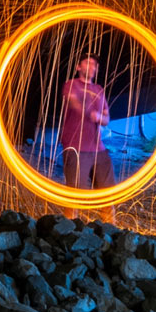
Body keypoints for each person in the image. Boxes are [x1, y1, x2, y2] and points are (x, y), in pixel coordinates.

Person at [59, 52, 115, 221]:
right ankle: (69, 233)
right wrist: (90, 112)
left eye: (94, 65)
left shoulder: (99, 89)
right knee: (75, 196)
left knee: (108, 194)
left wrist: (99, 117)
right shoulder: (71, 85)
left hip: (99, 149)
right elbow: (75, 103)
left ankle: (111, 231)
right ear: (78, 67)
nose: (91, 67)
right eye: (87, 63)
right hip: (76, 147)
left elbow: (106, 118)